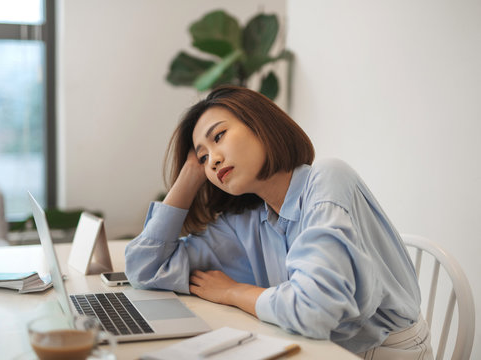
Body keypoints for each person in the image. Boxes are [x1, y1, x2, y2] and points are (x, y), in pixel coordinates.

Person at [125, 86, 433, 359]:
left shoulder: (328, 179)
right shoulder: (245, 223)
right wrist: (190, 174)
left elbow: (314, 311)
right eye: (204, 157)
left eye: (219, 136)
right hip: (316, 346)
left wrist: (233, 292)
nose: (213, 160)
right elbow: (145, 267)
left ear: (260, 125)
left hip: (382, 351)